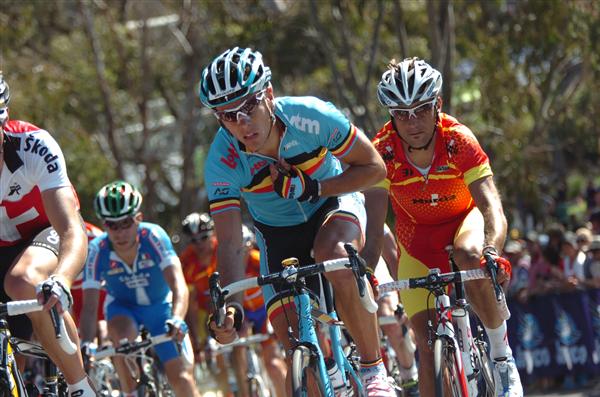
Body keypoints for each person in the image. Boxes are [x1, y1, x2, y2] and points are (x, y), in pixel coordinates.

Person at [199, 47, 394, 395]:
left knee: (332, 253)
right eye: (228, 116)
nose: (242, 123)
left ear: (269, 95)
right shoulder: (221, 159)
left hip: (332, 206)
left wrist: (316, 187)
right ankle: (328, 369)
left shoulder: (311, 117)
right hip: (278, 238)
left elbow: (374, 168)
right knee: (298, 352)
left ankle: (373, 369)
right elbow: (230, 242)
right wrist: (231, 308)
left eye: (248, 106)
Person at [363, 58, 523, 396]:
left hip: (464, 222)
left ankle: (501, 355)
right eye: (401, 113)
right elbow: (375, 227)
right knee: (425, 343)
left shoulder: (458, 140)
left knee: (469, 255)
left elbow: (491, 207)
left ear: (437, 104)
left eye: (420, 110)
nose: (412, 122)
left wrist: (492, 249)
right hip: (416, 243)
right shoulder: (383, 151)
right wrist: (365, 270)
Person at [0, 72, 96, 396]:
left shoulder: (34, 146)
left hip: (45, 234)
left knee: (23, 280)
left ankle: (81, 387)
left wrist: (62, 279)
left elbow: (70, 228)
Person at [79, 181, 199, 397]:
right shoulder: (97, 250)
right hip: (123, 309)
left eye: (125, 223)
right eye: (112, 225)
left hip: (160, 306)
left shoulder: (154, 237)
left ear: (139, 219)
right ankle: (131, 392)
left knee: (181, 378)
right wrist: (86, 342)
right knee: (121, 337)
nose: (119, 232)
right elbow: (89, 307)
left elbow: (178, 284)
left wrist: (178, 318)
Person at [233, 224, 287, 397]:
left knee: (272, 363)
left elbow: (277, 289)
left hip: (265, 311)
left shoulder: (258, 260)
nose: (240, 255)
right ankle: (245, 391)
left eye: (243, 249)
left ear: (250, 245)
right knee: (238, 350)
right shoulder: (228, 267)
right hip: (246, 314)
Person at [374, 224, 419, 395]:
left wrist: (403, 300)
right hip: (342, 281)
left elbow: (393, 258)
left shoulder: (366, 205)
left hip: (376, 277)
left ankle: (410, 376)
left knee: (390, 318)